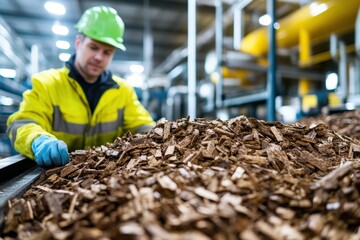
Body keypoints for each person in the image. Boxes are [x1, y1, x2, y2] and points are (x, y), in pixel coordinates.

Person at [6, 6, 155, 168]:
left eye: (107, 52)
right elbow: (22, 123)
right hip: (56, 174)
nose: (99, 57)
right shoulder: (47, 84)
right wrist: (37, 140)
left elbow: (142, 125)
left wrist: (159, 135)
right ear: (78, 42)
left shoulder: (123, 91)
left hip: (107, 176)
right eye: (93, 47)